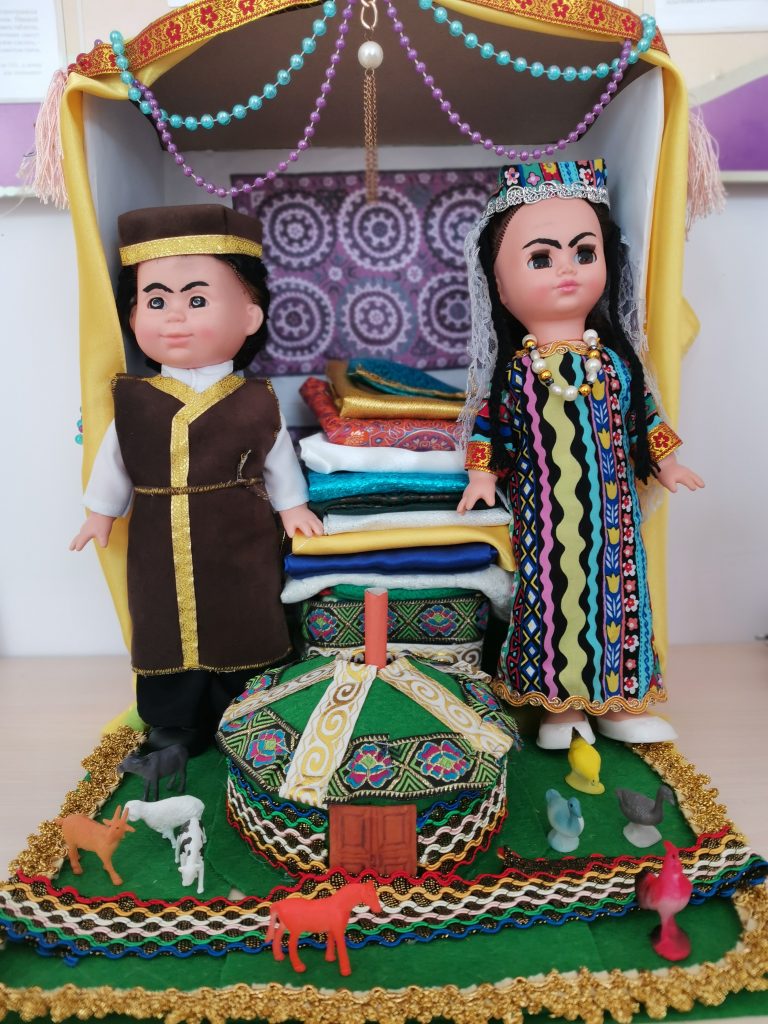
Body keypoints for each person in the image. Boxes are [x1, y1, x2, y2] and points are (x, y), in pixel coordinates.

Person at [457, 160, 703, 749]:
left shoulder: (614, 363)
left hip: (614, 517)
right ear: (500, 285)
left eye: (583, 252)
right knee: (556, 604)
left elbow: (644, 418)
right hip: (548, 521)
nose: (566, 269)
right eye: (541, 259)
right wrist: (481, 474)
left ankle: (617, 703)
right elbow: (489, 427)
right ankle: (559, 710)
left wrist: (668, 463)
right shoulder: (518, 372)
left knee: (618, 600)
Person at [71, 204, 322, 754]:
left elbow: (278, 459)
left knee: (245, 614)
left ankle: (248, 712)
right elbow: (115, 460)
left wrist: (293, 507)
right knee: (162, 621)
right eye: (156, 301)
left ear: (250, 317)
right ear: (132, 316)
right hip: (157, 537)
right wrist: (101, 512)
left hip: (240, 534)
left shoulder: (256, 399)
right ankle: (173, 725)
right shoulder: (132, 400)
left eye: (198, 300)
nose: (175, 318)